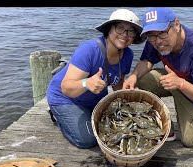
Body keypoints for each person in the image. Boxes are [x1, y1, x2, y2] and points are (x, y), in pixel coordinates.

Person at [123, 7, 193, 147]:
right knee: (141, 81)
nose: (158, 41)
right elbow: (147, 61)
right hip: (177, 80)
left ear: (176, 25)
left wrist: (180, 84)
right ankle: (164, 125)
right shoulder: (156, 40)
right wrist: (133, 76)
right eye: (151, 35)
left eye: (162, 33)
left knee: (190, 139)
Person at [46, 9, 145, 149]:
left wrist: (129, 95)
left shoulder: (127, 54)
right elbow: (66, 88)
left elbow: (118, 83)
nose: (125, 34)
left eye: (131, 31)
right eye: (120, 28)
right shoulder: (90, 50)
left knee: (117, 124)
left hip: (95, 96)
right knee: (88, 140)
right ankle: (58, 116)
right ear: (109, 29)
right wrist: (86, 83)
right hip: (65, 97)